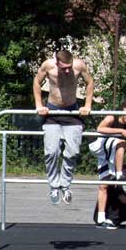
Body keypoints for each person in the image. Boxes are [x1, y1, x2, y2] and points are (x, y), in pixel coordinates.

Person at [33, 49, 94, 205]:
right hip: (52, 111)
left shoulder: (79, 66)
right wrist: (39, 105)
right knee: (51, 151)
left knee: (73, 151)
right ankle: (54, 186)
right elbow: (36, 82)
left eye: (69, 67)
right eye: (64, 68)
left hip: (72, 111)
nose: (67, 71)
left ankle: (65, 185)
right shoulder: (48, 66)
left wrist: (87, 105)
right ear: (56, 62)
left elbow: (90, 82)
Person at [89, 101, 126, 229]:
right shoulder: (111, 117)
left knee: (104, 185)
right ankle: (118, 174)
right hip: (99, 145)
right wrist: (121, 131)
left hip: (110, 153)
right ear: (120, 112)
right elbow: (100, 129)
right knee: (120, 143)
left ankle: (101, 218)